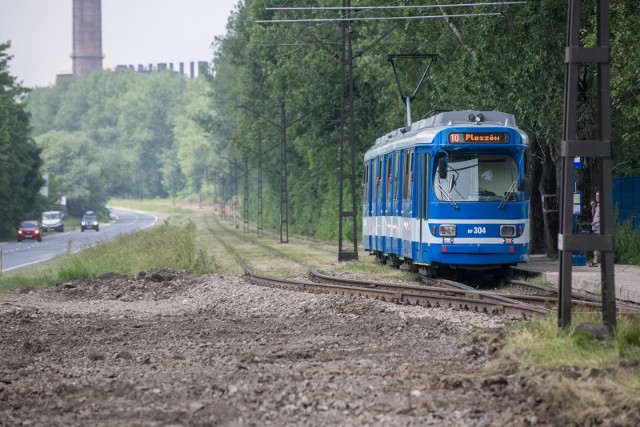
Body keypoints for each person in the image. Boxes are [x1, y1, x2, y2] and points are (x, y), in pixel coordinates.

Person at [590, 191, 600, 266]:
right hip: (595, 227)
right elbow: (593, 214)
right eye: (596, 195)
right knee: (596, 243)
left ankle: (595, 260)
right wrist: (593, 207)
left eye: (598, 196)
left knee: (596, 243)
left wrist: (595, 223)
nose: (597, 197)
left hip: (599, 227)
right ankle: (595, 260)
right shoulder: (598, 205)